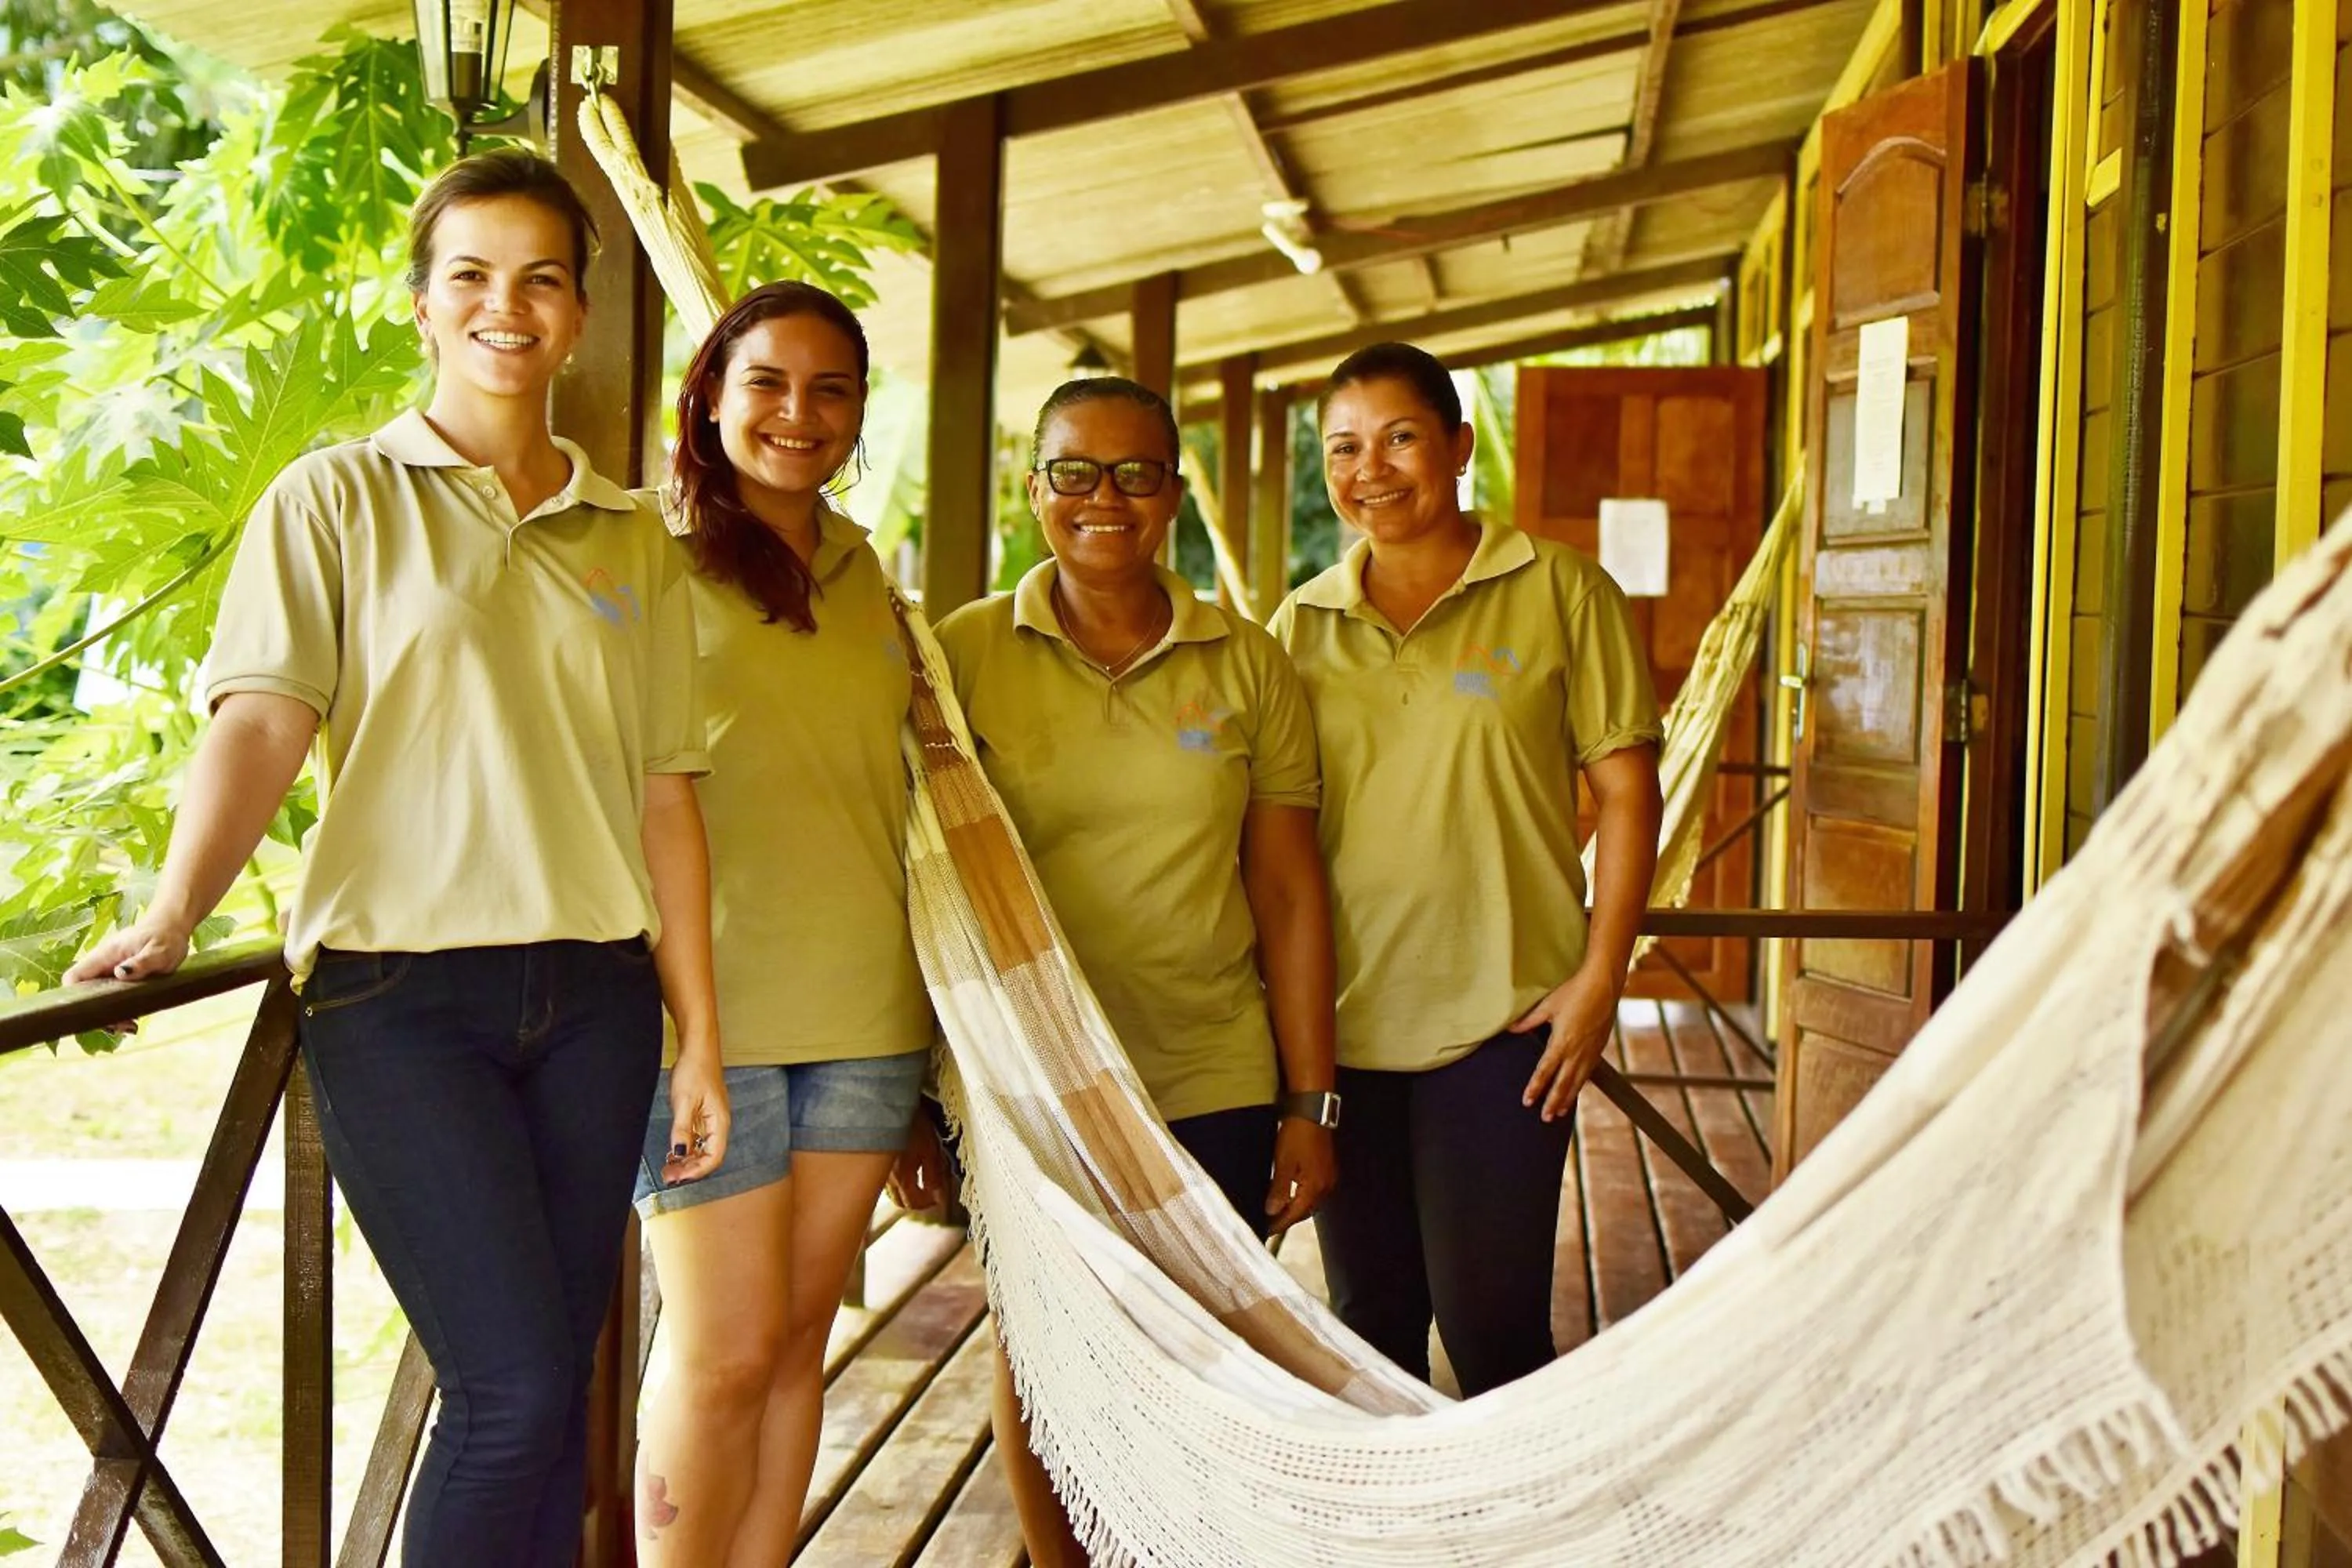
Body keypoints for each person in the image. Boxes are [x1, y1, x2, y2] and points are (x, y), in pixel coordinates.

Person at [65, 149, 728, 1565]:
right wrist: (174, 911)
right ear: (422, 303)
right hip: (401, 1003)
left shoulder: (634, 539)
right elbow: (261, 724)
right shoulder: (336, 499)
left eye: (541, 277)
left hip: (599, 1000)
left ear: (579, 311)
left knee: (559, 1398)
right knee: (514, 1389)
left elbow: (668, 795)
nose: (509, 305)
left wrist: (703, 1041)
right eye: (473, 276)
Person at [906, 375, 1340, 1566]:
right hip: (1029, 1080)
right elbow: (915, 886)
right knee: (1045, 1349)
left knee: (1214, 1358)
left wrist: (1311, 1099)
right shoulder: (959, 656)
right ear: (1034, 490)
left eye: (1138, 472)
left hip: (1210, 1066)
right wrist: (908, 1096)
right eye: (1076, 473)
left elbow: (1291, 893)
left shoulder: (1248, 665)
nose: (1107, 499)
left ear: (1174, 491)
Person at [1269, 341, 1664, 1398]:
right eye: (1343, 449)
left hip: (1509, 1023)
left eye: (1399, 437)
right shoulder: (1297, 626)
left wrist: (1600, 980)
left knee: (1495, 1335)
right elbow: (1267, 839)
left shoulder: (1561, 589)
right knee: (1371, 1335)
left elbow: (1629, 794)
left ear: (1456, 443)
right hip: (1341, 1030)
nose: (1371, 469)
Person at [628, 281, 932, 1563]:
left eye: (830, 389)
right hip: (704, 1020)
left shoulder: (873, 576)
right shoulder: (642, 559)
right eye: (766, 382)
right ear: (709, 395)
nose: (797, 413)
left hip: (866, 1013)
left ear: (859, 413)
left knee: (804, 1335)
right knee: (722, 1350)